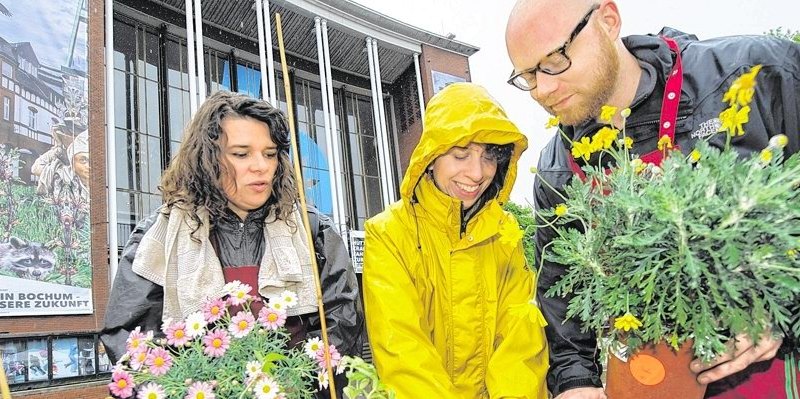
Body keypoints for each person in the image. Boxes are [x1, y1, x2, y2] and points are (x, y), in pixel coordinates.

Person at [505, 1, 800, 398]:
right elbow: (562, 304)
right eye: (527, 75)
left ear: (608, 21)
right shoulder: (557, 169)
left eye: (555, 59)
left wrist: (784, 308)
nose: (542, 89)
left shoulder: (760, 75)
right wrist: (576, 383)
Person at [100, 91, 364, 398]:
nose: (261, 166)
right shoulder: (158, 235)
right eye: (241, 154)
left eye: (270, 153)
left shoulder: (312, 230)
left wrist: (296, 388)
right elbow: (130, 336)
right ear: (208, 158)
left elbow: (342, 323)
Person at [363, 82, 549, 398]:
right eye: (460, 155)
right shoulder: (387, 233)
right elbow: (402, 353)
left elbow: (522, 337)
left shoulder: (505, 232)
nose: (477, 173)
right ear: (431, 157)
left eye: (489, 157)